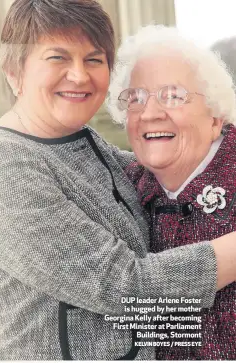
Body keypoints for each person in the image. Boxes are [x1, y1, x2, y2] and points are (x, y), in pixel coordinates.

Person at [0, 0, 236, 360]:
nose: (79, 75)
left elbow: (166, 164)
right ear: (13, 71)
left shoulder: (78, 143)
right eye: (57, 57)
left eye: (93, 59)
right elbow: (125, 285)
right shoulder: (1, 167)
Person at [107, 25, 236, 360]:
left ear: (214, 115)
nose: (150, 113)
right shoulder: (117, 188)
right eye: (135, 98)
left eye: (174, 95)